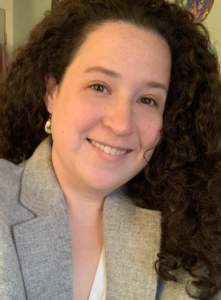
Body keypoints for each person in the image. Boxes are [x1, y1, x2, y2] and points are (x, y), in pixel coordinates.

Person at [0, 0, 221, 299]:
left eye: (147, 100)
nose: (120, 124)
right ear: (52, 92)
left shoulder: (194, 228)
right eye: (99, 86)